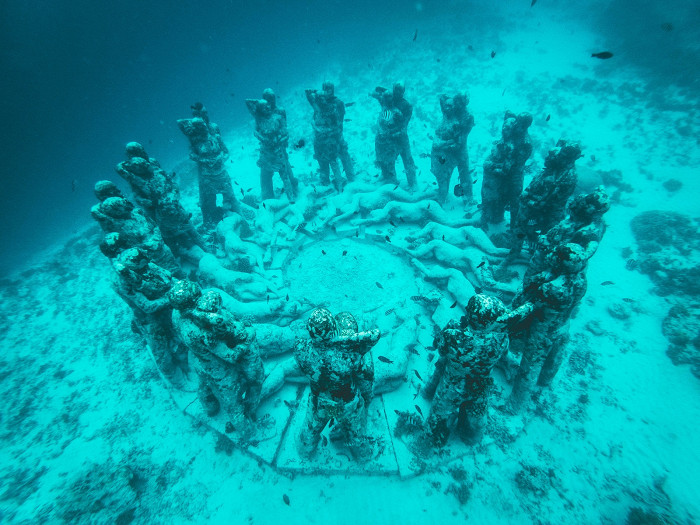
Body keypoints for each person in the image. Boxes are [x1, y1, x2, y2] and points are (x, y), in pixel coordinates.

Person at [424, 295, 533, 446]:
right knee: (477, 416)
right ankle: (470, 438)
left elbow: (442, 352)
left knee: (440, 414)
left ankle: (435, 440)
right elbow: (502, 353)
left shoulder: (452, 335)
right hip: (481, 384)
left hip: (452, 386)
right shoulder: (501, 338)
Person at [170, 281, 264, 429]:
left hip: (200, 359)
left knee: (204, 384)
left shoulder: (176, 313)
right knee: (233, 400)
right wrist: (248, 336)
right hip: (219, 368)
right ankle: (245, 430)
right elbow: (231, 356)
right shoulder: (204, 332)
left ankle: (211, 408)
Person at [508, 243, 588, 411]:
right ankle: (546, 381)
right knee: (556, 353)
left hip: (543, 331)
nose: (551, 255)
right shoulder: (581, 281)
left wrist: (543, 275)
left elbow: (528, 293)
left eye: (555, 256)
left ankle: (516, 404)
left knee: (531, 365)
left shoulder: (551, 287)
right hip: (563, 325)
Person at [294, 307, 380, 459]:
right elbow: (367, 375)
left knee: (310, 430)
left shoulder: (301, 350)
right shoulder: (350, 355)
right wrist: (364, 355)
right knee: (356, 432)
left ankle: (305, 453)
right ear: (335, 330)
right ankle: (363, 456)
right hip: (346, 403)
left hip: (319, 402)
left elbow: (313, 362)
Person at [112, 248, 187, 385]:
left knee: (176, 329)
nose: (147, 267)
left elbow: (168, 276)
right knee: (159, 347)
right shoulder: (124, 283)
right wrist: (172, 297)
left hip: (163, 301)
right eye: (143, 267)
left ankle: (181, 352)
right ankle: (175, 379)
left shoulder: (146, 265)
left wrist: (181, 287)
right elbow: (147, 306)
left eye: (146, 264)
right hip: (147, 316)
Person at [115, 142, 205, 257]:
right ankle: (176, 252)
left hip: (170, 201)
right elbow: (135, 193)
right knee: (164, 230)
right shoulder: (132, 173)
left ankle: (196, 243)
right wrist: (145, 201)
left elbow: (168, 181)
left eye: (138, 152)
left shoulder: (152, 163)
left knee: (185, 223)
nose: (137, 155)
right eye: (133, 153)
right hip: (153, 207)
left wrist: (174, 195)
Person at [91, 186, 182, 277]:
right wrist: (147, 246)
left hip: (161, 248)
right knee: (163, 275)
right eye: (120, 207)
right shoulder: (115, 227)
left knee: (175, 268)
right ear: (116, 212)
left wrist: (157, 240)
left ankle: (182, 277)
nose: (125, 207)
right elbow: (126, 247)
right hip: (147, 256)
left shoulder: (138, 212)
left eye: (124, 204)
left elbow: (154, 226)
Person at [177, 104, 242, 228]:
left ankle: (235, 215)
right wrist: (204, 160)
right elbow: (193, 151)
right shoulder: (193, 133)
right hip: (204, 171)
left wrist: (219, 158)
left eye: (205, 113)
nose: (204, 116)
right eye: (200, 114)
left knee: (229, 194)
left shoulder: (214, 128)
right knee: (207, 197)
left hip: (219, 168)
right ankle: (209, 222)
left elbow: (221, 147)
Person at [525, 186, 610, 280]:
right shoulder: (586, 216)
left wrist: (545, 245)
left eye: (584, 205)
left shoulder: (588, 232)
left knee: (533, 282)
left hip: (554, 263)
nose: (576, 205)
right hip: (548, 251)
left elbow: (579, 254)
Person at [480, 111, 533, 229]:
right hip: (502, 171)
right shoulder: (513, 129)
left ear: (526, 126)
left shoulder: (525, 143)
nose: (517, 126)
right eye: (517, 122)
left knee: (514, 201)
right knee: (498, 199)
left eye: (520, 125)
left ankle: (513, 228)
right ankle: (493, 217)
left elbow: (510, 166)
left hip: (514, 175)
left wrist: (491, 166)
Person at [245, 95, 299, 202]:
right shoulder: (259, 119)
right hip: (266, 153)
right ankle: (268, 198)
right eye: (264, 107)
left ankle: (291, 197)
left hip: (278, 151)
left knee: (284, 175)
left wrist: (279, 141)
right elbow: (248, 102)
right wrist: (263, 139)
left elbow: (286, 134)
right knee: (266, 175)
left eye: (268, 106)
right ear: (260, 109)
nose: (268, 108)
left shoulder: (278, 118)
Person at [305, 82, 355, 191]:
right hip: (320, 140)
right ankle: (325, 184)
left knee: (344, 155)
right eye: (325, 88)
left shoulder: (337, 103)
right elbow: (313, 103)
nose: (327, 91)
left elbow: (339, 121)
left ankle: (351, 179)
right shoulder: (319, 101)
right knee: (322, 160)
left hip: (336, 137)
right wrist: (310, 94)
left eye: (329, 88)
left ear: (333, 89)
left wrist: (331, 132)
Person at [370, 82, 416, 188]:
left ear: (404, 92)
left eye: (400, 90)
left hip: (400, 137)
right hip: (387, 138)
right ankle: (388, 180)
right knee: (387, 159)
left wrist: (392, 133)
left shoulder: (407, 106)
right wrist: (380, 89)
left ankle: (413, 183)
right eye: (396, 89)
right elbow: (375, 93)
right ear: (393, 89)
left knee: (407, 159)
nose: (398, 92)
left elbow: (404, 125)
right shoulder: (387, 98)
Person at [431, 92, 474, 203]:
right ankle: (444, 194)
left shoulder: (467, 117)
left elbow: (461, 141)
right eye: (456, 101)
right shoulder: (449, 110)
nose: (457, 105)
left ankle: (468, 199)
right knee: (445, 172)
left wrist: (442, 145)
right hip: (448, 150)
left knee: (464, 174)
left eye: (460, 102)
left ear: (465, 104)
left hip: (460, 150)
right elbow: (442, 98)